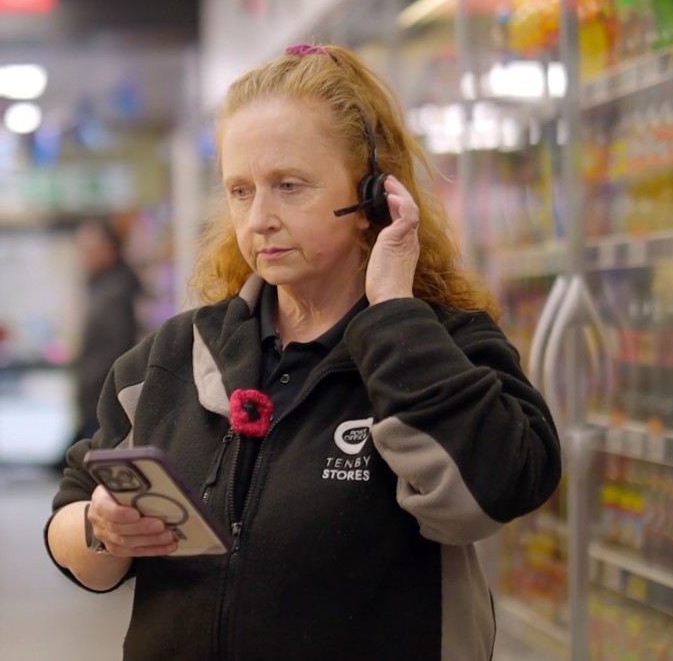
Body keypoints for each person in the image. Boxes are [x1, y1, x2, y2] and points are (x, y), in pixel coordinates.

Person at [44, 44, 562, 660]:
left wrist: (394, 312)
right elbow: (72, 519)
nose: (259, 218)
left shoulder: (446, 346)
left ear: (372, 195)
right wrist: (103, 530)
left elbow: (498, 490)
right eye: (240, 190)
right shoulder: (174, 356)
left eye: (289, 186)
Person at [63, 218, 143, 461]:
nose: (84, 256)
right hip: (96, 399)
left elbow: (116, 352)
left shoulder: (118, 291)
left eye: (90, 249)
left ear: (110, 248)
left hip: (105, 402)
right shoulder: (102, 286)